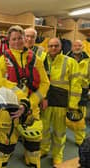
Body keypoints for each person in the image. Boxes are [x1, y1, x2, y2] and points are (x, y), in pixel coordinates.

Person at [0, 25, 50, 168]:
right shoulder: (2, 60)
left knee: (33, 144)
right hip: (9, 111)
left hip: (31, 108)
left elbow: (44, 83)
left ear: (24, 39)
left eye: (20, 38)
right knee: (5, 144)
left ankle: (33, 164)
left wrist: (30, 103)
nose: (17, 41)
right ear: (8, 41)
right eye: (14, 39)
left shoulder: (36, 60)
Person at [40, 38, 82, 167]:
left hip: (61, 103)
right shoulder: (41, 60)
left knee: (59, 132)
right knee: (44, 130)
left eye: (56, 46)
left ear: (60, 47)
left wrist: (73, 105)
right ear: (47, 46)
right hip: (45, 101)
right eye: (51, 46)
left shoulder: (70, 62)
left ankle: (57, 156)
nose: (53, 48)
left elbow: (76, 85)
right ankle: (44, 149)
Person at [66, 39, 90, 146]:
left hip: (82, 94)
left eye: (79, 45)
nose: (77, 47)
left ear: (83, 47)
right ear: (72, 47)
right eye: (75, 45)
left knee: (80, 120)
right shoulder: (65, 59)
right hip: (67, 92)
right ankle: (61, 138)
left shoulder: (89, 60)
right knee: (64, 118)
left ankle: (80, 141)